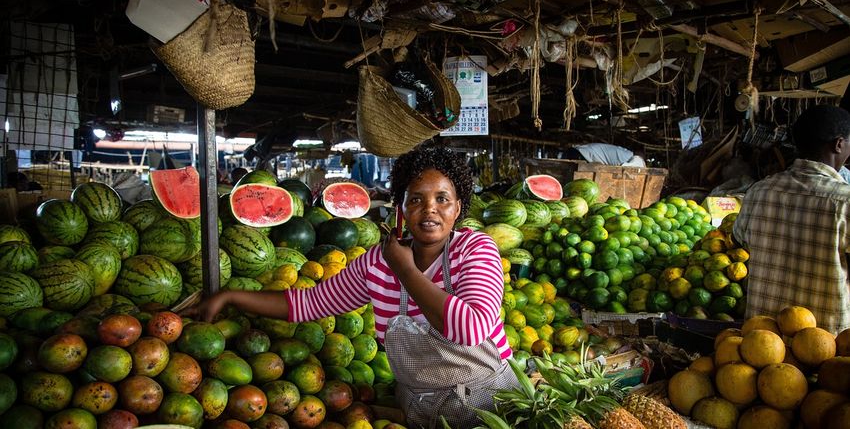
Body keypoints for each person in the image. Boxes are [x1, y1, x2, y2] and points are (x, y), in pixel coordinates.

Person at [187, 146, 518, 428]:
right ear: (401, 209)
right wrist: (230, 296)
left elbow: (470, 328)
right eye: (415, 199)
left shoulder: (476, 249)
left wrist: (403, 267)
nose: (429, 207)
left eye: (442, 199)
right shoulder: (376, 262)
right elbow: (307, 303)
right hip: (420, 408)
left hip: (489, 406)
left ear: (458, 208)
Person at [733, 105, 850, 335]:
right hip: (826, 346)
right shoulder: (845, 201)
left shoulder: (758, 191)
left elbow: (738, 242)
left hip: (761, 345)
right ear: (838, 144)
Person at [563, 143, 646, 167]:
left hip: (578, 151)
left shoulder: (624, 153)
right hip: (582, 156)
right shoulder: (637, 159)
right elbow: (625, 169)